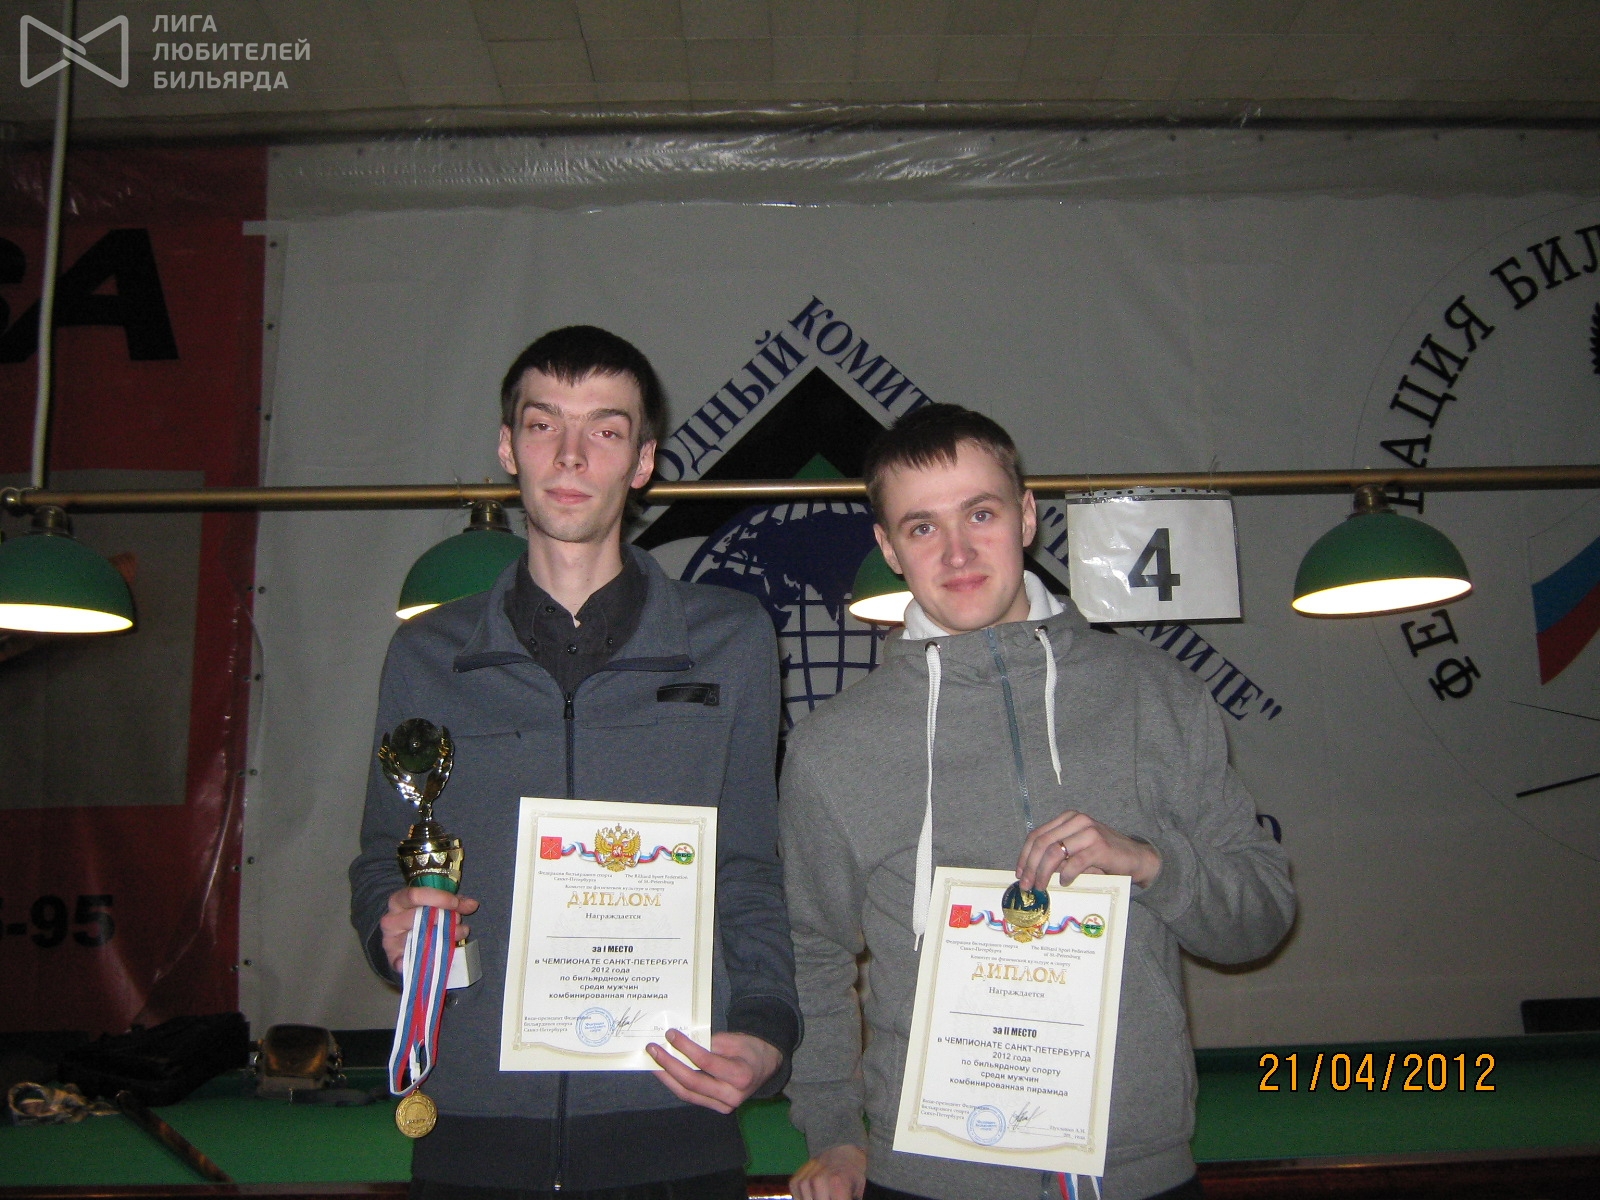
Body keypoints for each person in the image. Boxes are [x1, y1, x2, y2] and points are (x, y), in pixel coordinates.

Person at [780, 404, 1295, 1200]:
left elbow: (1260, 918)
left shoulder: (1155, 693)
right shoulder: (832, 748)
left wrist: (1152, 866)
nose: (957, 552)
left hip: (1140, 1173)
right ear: (888, 548)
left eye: (980, 514)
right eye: (923, 527)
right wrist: (835, 1133)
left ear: (1025, 517)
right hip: (929, 1181)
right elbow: (810, 955)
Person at [349, 326, 799, 1200]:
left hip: (671, 1118)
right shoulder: (428, 654)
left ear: (643, 461)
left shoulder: (730, 639)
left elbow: (748, 864)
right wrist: (389, 926)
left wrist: (767, 1027)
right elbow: (382, 858)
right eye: (543, 423)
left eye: (605, 428)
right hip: (475, 1129)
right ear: (507, 446)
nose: (569, 454)